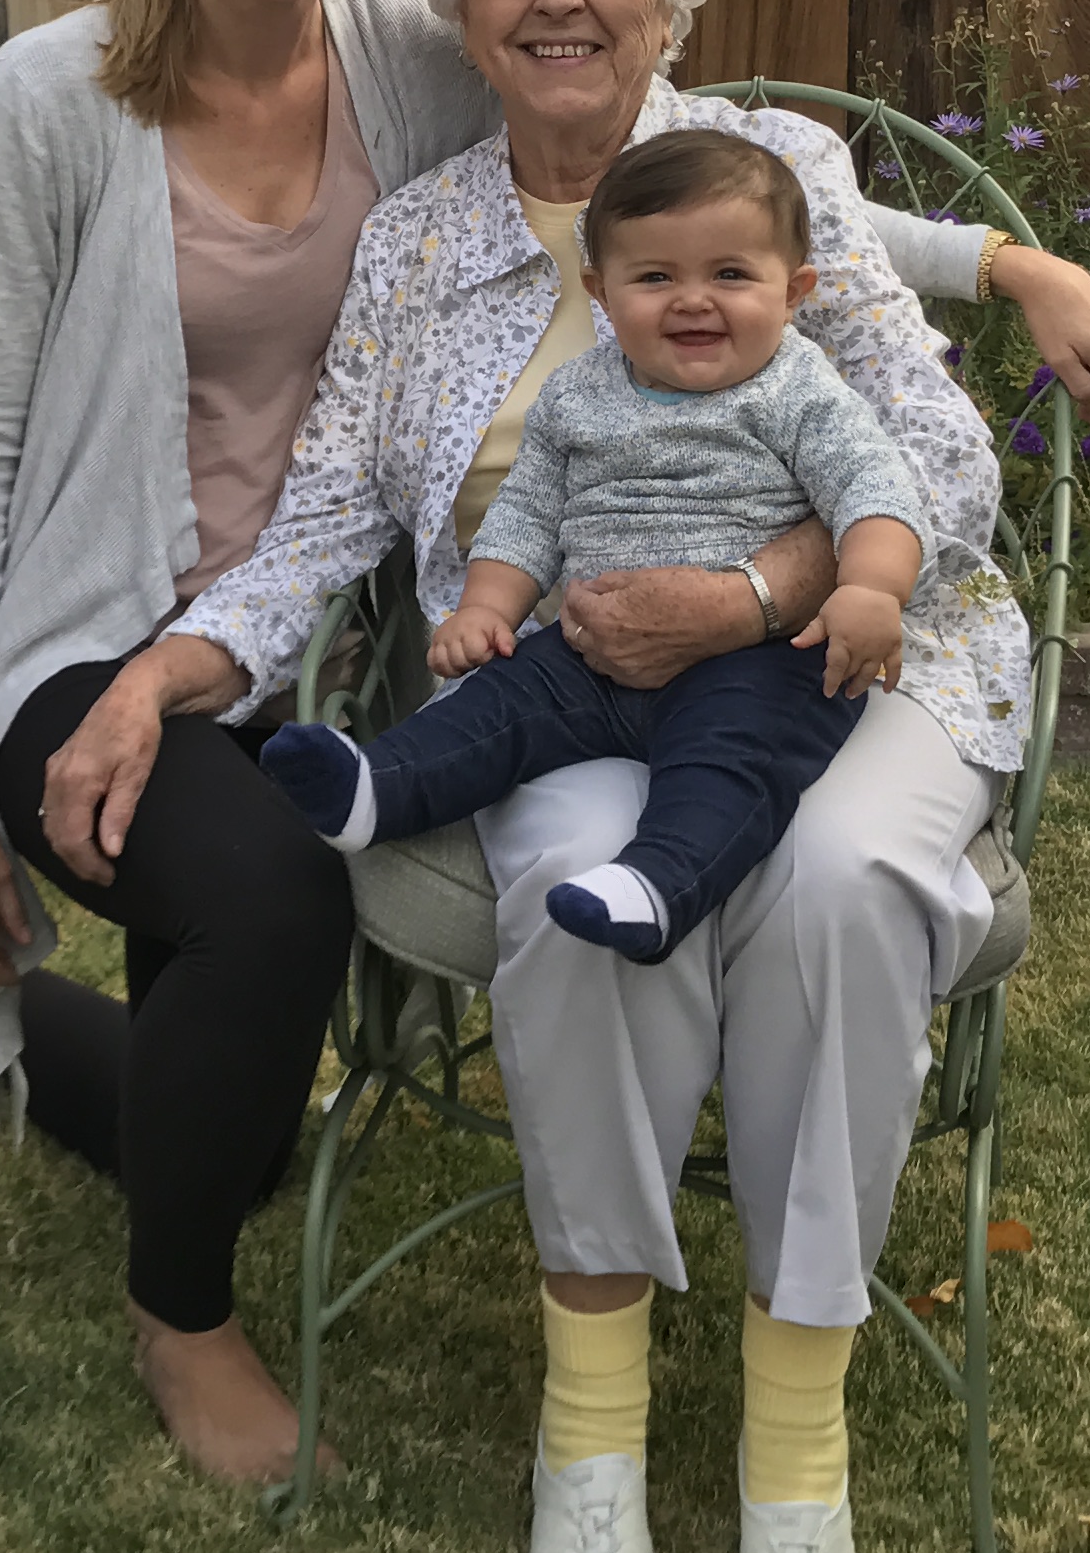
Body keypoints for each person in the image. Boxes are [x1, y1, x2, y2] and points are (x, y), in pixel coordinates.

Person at [0, 0, 1090, 1491]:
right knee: (272, 921)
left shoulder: (427, 52)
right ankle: (187, 1315)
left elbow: (739, 189)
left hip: (492, 639)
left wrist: (1003, 260)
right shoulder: (92, 97)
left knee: (250, 1086)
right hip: (148, 618)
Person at [55, 0, 1082, 1553]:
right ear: (461, 5)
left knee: (845, 880)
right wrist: (160, 671)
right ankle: (590, 1449)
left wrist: (755, 590)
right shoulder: (421, 236)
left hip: (853, 659)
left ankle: (796, 1474)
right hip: (567, 679)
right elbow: (323, 516)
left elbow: (939, 464)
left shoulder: (782, 167)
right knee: (576, 892)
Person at [260, 127, 929, 967]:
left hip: (760, 662)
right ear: (601, 293)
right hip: (591, 648)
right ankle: (376, 788)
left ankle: (660, 882)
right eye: (655, 277)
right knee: (497, 705)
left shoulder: (800, 390)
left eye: (730, 274)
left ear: (793, 291)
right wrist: (486, 607)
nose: (692, 300)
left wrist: (870, 589)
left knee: (732, 759)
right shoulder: (577, 392)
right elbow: (526, 512)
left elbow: (876, 494)